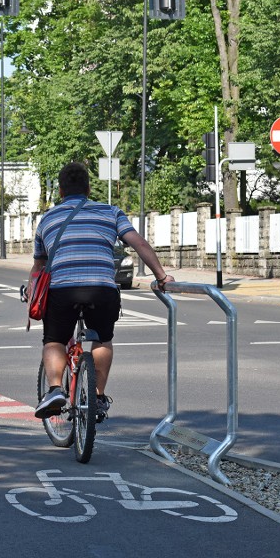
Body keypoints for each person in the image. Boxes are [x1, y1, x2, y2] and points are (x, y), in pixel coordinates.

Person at [29, 162, 174, 420]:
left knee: (54, 340)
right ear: (88, 188)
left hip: (63, 291)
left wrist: (31, 293)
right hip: (102, 289)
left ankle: (54, 390)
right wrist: (161, 276)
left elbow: (39, 265)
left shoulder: (48, 218)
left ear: (61, 192)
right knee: (103, 338)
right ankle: (97, 397)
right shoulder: (111, 212)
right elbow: (138, 242)